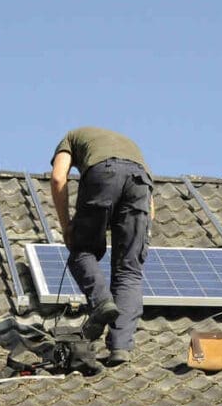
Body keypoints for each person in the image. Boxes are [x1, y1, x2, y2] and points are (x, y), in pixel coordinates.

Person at [50, 127, 154, 366]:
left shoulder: (70, 137)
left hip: (102, 173)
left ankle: (101, 303)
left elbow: (58, 177)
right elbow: (150, 207)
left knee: (81, 251)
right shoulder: (130, 145)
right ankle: (120, 348)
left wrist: (68, 227)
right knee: (129, 271)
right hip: (141, 183)